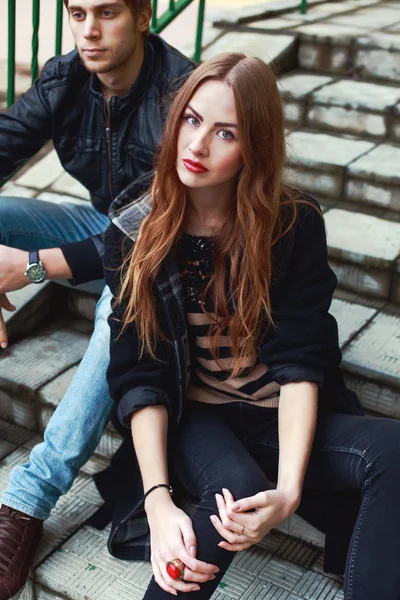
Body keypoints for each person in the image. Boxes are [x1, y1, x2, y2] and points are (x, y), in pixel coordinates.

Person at [101, 52, 400, 600]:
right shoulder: (135, 227)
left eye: (225, 133)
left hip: (275, 413)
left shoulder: (291, 224)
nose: (197, 146)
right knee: (234, 489)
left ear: (254, 148)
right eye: (191, 120)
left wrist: (288, 490)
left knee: (394, 448)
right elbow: (137, 374)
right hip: (200, 419)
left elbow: (301, 360)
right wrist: (159, 501)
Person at [0, 1, 194, 598]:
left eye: (106, 12)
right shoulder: (65, 80)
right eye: (76, 11)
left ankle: (25, 502)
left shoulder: (181, 96)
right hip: (99, 231)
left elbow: (155, 230)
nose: (88, 29)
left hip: (170, 258)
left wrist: (27, 268)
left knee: (128, 289)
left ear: (144, 14)